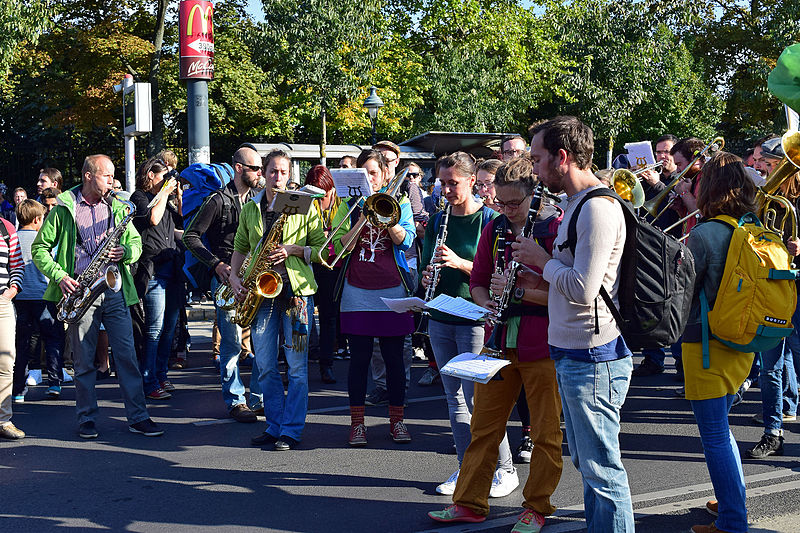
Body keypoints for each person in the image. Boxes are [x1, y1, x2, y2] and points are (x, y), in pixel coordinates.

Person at [428, 155, 564, 532]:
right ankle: (469, 502)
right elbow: (479, 280)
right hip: (499, 339)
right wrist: (485, 300)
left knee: (545, 432)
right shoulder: (496, 228)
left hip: (543, 343)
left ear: (533, 195)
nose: (505, 210)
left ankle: (536, 507)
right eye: (500, 202)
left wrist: (521, 291)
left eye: (513, 204)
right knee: (484, 426)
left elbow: (567, 291)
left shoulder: (555, 228)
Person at [521, 116, 635, 531]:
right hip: (577, 350)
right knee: (590, 466)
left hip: (594, 354)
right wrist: (540, 271)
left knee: (602, 470)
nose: (533, 169)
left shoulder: (597, 209)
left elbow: (584, 289)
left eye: (537, 159)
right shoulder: (576, 205)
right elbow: (569, 278)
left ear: (562, 157)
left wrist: (540, 260)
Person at [31, 154, 163, 439]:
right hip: (80, 289)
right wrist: (59, 276)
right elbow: (40, 249)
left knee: (127, 355)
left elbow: (136, 244)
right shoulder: (64, 208)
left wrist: (126, 252)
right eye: (107, 176)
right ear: (89, 176)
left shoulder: (117, 207)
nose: (112, 181)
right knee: (84, 361)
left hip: (113, 289)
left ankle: (138, 416)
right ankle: (86, 418)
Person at [420, 152, 519, 497]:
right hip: (441, 314)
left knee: (480, 399)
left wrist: (459, 263)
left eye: (453, 183)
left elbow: (497, 274)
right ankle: (466, 467)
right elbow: (425, 264)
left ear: (472, 181)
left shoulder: (490, 219)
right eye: (442, 183)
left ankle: (504, 469)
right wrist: (428, 273)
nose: (446, 190)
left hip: (476, 318)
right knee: (454, 399)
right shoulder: (437, 220)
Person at [680, 153, 756, 533]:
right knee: (722, 431)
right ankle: (731, 502)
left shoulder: (704, 234)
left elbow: (684, 295)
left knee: (714, 437)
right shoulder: (755, 228)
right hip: (745, 342)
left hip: (706, 345)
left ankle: (731, 520)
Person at [231, 149, 325, 451]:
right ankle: (273, 425)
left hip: (297, 295)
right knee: (266, 366)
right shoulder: (251, 209)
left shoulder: (306, 206)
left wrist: (293, 250)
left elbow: (321, 248)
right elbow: (240, 248)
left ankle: (292, 430)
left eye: (284, 172)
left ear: (290, 175)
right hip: (263, 295)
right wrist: (234, 278)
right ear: (264, 173)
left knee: (296, 368)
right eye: (273, 171)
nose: (278, 177)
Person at [331, 149, 416, 446]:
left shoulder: (400, 201)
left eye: (374, 173)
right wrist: (362, 216)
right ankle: (357, 425)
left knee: (394, 360)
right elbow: (340, 245)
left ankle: (398, 422)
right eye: (364, 173)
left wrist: (387, 218)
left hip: (392, 288)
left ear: (383, 175)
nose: (369, 178)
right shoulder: (348, 204)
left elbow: (407, 241)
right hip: (357, 291)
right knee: (359, 361)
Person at [183, 146, 264, 423]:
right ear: (239, 168)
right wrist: (217, 265)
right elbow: (191, 237)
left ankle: (259, 398)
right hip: (227, 279)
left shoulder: (258, 199)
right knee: (230, 343)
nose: (260, 174)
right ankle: (235, 400)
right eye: (255, 169)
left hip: (254, 277)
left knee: (262, 342)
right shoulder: (217, 200)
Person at [131, 158, 182, 401]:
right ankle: (148, 380)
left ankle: (161, 375)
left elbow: (181, 221)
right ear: (149, 175)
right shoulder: (139, 197)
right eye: (162, 176)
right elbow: (152, 218)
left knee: (169, 330)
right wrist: (163, 192)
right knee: (154, 329)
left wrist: (177, 194)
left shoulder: (167, 200)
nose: (166, 181)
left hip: (173, 269)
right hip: (153, 271)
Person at [11, 199, 64, 401]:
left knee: (22, 344)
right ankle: (54, 383)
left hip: (20, 297)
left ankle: (18, 390)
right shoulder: (43, 240)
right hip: (43, 296)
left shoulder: (13, 238)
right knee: (51, 339)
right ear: (37, 219)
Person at [305, 165, 340, 384]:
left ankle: (326, 364)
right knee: (302, 319)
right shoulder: (304, 204)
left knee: (328, 318)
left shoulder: (341, 205)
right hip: (308, 265)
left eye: (324, 195)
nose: (319, 201)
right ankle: (296, 364)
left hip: (331, 267)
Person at [0, 212, 24, 439]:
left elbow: (17, 266)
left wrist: (12, 290)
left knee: (6, 362)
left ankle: (3, 419)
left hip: (2, 304)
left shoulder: (6, 228)